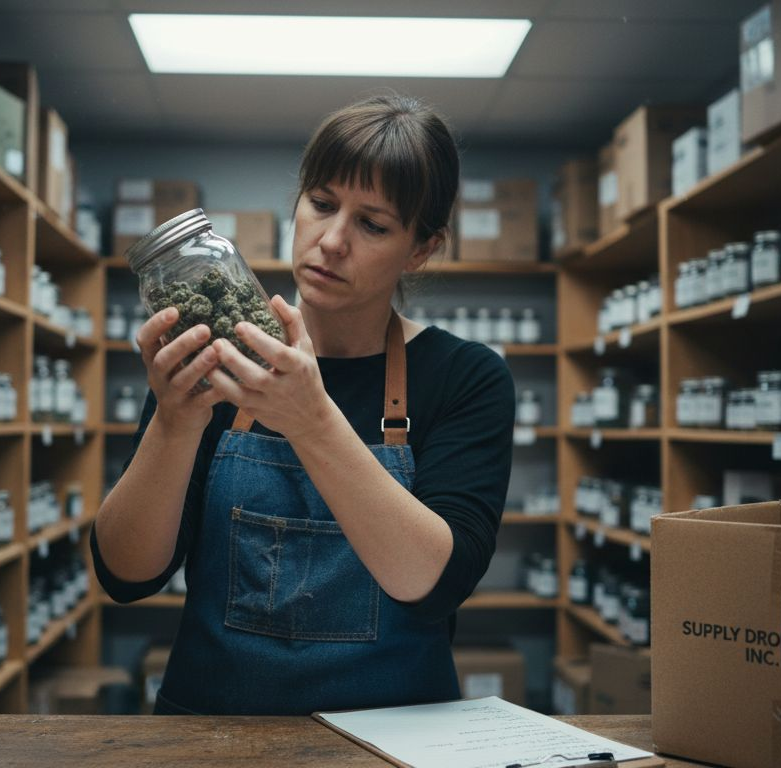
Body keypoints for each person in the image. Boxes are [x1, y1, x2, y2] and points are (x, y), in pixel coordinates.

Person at [91, 93, 515, 716]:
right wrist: (175, 423)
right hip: (214, 737)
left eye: (373, 225)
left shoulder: (465, 377)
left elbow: (433, 584)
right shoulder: (221, 346)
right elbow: (126, 574)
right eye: (321, 203)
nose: (332, 240)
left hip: (395, 739)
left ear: (421, 249)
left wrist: (312, 421)